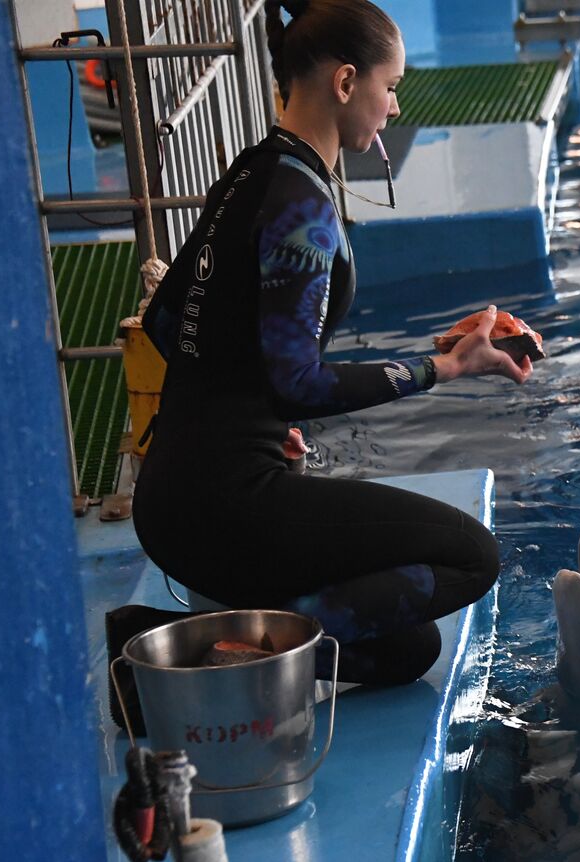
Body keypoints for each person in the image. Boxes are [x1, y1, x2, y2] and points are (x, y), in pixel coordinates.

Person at [133, 0, 532, 685]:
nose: (394, 107)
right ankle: (244, 660)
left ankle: (212, 643)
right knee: (473, 556)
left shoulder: (252, 169)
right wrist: (442, 367)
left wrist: (256, 416)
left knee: (406, 651)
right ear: (347, 83)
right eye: (391, 86)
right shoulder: (302, 202)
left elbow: (170, 322)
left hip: (170, 493)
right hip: (226, 503)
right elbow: (299, 382)